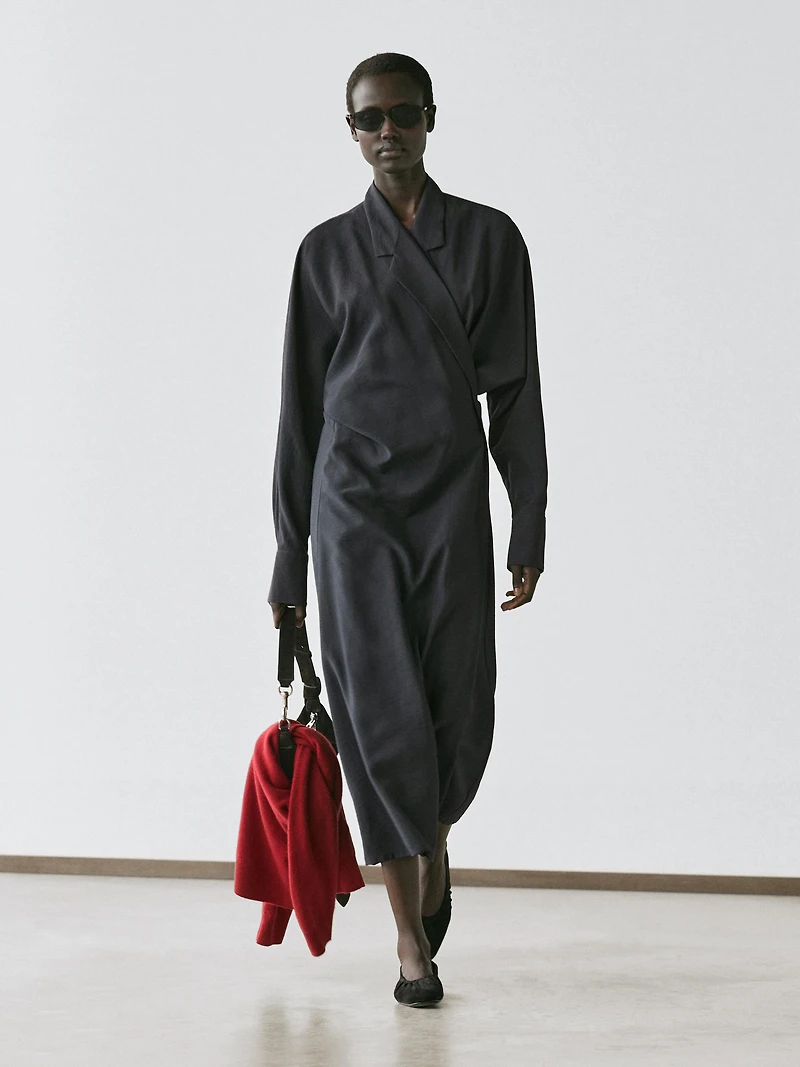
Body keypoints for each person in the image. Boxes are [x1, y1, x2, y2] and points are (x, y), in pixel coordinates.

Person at [267, 52, 548, 1005]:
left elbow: (516, 391)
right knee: (379, 713)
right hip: (352, 507)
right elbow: (300, 413)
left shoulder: (491, 240)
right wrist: (289, 557)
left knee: (455, 709)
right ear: (350, 131)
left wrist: (528, 521)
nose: (387, 130)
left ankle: (433, 840)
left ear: (431, 118)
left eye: (403, 113)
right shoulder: (324, 253)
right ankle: (409, 943)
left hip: (451, 495)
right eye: (369, 118)